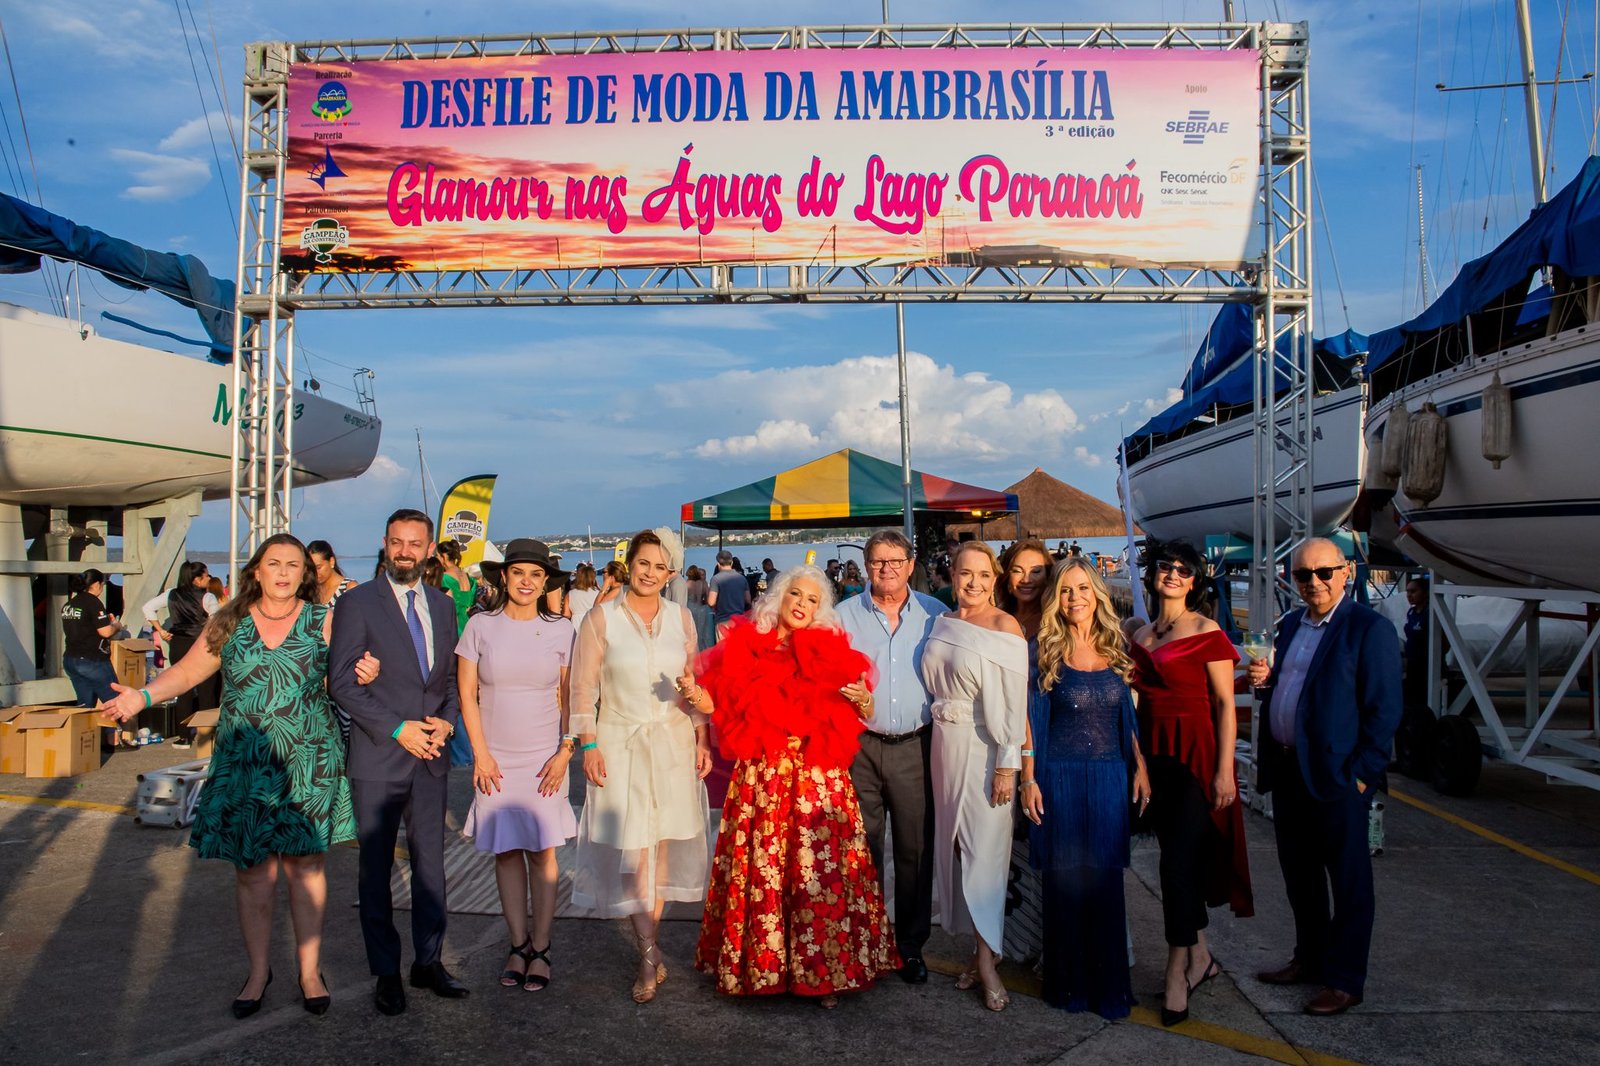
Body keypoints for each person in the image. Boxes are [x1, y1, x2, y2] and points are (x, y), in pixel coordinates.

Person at [103, 534, 378, 1018]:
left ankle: (309, 971)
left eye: (293, 565)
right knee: (253, 873)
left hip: (307, 762)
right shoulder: (228, 622)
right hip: (244, 764)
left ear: (305, 574)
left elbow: (344, 681)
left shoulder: (324, 621)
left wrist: (365, 672)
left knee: (306, 870)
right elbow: (186, 673)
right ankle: (257, 972)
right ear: (256, 571)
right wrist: (140, 697)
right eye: (274, 563)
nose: (284, 573)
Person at [691, 565, 899, 1007]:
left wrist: (865, 700)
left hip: (816, 776)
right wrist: (693, 696)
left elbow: (863, 707)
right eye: (795, 595)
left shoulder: (830, 648)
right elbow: (718, 701)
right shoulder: (748, 643)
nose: (802, 604)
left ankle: (825, 974)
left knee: (816, 872)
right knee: (767, 869)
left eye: (812, 599)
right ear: (779, 598)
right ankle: (765, 969)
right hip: (763, 774)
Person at [1246, 538, 1402, 1017]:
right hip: (1290, 769)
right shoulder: (1293, 624)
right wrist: (1265, 683)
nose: (1313, 582)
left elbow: (1384, 711)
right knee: (1301, 876)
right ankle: (1310, 959)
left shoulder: (1368, 629)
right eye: (1302, 574)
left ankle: (1345, 980)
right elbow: (1296, 688)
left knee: (1349, 882)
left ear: (1346, 572)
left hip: (1337, 776)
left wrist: (1361, 777)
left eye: (1324, 572)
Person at [329, 508, 468, 1016]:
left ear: (430, 550)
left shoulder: (443, 605)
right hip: (380, 756)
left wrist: (447, 723)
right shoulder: (358, 602)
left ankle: (428, 962)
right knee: (375, 870)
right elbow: (342, 683)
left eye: (414, 543)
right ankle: (386, 971)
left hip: (430, 755)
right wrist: (397, 729)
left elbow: (449, 680)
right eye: (396, 542)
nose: (405, 552)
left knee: (432, 866)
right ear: (385, 544)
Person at [570, 529, 711, 1003]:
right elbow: (582, 689)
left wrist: (702, 736)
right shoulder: (601, 618)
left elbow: (692, 686)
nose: (650, 573)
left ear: (671, 574)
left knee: (663, 846)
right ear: (629, 564)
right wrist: (588, 745)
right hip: (620, 741)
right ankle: (649, 952)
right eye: (643, 563)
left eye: (660, 566)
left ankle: (650, 946)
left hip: (672, 742)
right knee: (634, 851)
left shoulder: (681, 618)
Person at [1130, 540, 1253, 1027]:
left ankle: (1177, 972)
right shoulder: (1142, 633)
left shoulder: (1207, 630)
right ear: (1153, 573)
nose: (1174, 574)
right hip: (1153, 757)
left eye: (1185, 570)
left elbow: (1225, 705)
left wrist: (1224, 770)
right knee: (1175, 860)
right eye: (1167, 566)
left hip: (1195, 758)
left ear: (1195, 581)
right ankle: (1201, 956)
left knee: (1177, 866)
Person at [1022, 557, 1151, 1020]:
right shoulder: (1044, 649)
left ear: (1097, 594)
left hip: (1110, 779)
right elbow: (1030, 721)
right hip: (1059, 778)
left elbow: (1126, 715)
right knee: (1065, 883)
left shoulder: (1116, 646)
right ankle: (1069, 985)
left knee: (1105, 882)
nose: (1075, 598)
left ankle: (1108, 987)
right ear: (1056, 599)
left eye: (1083, 589)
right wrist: (1029, 778)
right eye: (1066, 590)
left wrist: (1140, 765)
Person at [456, 539, 576, 993]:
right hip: (495, 759)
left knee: (543, 852)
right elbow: (467, 694)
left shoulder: (562, 630)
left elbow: (572, 697)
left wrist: (565, 752)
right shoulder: (479, 626)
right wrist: (480, 753)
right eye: (518, 572)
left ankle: (541, 947)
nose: (527, 581)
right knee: (505, 851)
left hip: (546, 758)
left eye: (536, 574)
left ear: (545, 583)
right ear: (503, 577)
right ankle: (517, 944)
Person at [920, 542, 1028, 1012]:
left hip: (986, 749)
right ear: (953, 573)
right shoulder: (941, 622)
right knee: (957, 851)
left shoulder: (1005, 626)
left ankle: (988, 961)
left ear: (996, 579)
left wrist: (1008, 765)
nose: (975, 583)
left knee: (986, 854)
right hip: (942, 747)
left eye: (985, 575)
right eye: (967, 573)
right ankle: (979, 948)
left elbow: (1014, 704)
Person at [835, 529, 945, 984]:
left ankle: (911, 946)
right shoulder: (843, 617)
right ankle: (868, 942)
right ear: (866, 566)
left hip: (916, 747)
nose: (887, 569)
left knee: (915, 851)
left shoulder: (936, 615)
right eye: (878, 561)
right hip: (861, 747)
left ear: (910, 564)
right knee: (863, 851)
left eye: (896, 561)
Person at [142, 560, 222, 743]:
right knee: (207, 690)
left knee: (182, 689)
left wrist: (160, 630)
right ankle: (207, 735)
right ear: (197, 579)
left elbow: (148, 608)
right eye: (206, 575)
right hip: (201, 644)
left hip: (178, 643)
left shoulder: (171, 594)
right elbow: (216, 619)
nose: (208, 579)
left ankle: (183, 736)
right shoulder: (207, 597)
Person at [62, 568, 122, 751]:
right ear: (96, 584)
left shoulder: (69, 605)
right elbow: (105, 632)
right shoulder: (93, 603)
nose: (102, 588)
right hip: (93, 659)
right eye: (102, 584)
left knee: (84, 703)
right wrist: (116, 625)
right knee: (113, 698)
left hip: (71, 659)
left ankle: (81, 741)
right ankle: (112, 741)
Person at [998, 540, 1053, 641]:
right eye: (1017, 571)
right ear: (1007, 576)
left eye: (1035, 571)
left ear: (1047, 575)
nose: (1026, 580)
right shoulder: (995, 616)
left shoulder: (1057, 620)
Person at [435, 540, 477, 633]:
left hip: (452, 624)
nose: (436, 558)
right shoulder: (467, 576)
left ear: (444, 556)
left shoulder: (444, 578)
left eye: (437, 556)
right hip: (467, 624)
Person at [707, 549, 750, 638]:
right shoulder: (742, 578)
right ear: (731, 563)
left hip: (723, 621)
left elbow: (711, 602)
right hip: (740, 621)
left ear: (718, 564)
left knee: (723, 647)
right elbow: (748, 600)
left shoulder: (716, 579)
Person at [307, 541, 359, 607]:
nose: (314, 572)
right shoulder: (311, 590)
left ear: (331, 561)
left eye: (318, 567)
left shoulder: (349, 587)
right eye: (311, 568)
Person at [682, 564, 716, 651]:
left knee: (691, 633)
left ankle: (692, 651)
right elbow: (708, 599)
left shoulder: (686, 584)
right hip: (701, 609)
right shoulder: (703, 583)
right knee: (702, 633)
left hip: (690, 608)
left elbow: (683, 598)